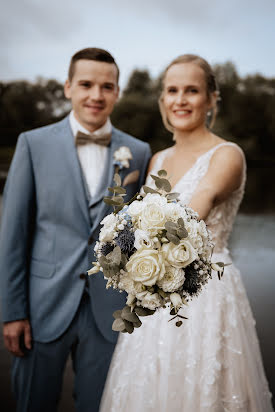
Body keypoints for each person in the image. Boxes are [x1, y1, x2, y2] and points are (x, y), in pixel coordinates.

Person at [100, 54, 274, 412]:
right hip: (152, 298)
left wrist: (137, 241)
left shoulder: (228, 155)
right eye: (172, 90)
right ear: (162, 99)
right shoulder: (157, 159)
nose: (180, 100)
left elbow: (195, 211)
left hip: (206, 294)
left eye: (191, 90)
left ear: (211, 98)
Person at [0, 47, 151, 412]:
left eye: (106, 86)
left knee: (100, 405)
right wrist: (12, 311)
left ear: (117, 92)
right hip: (42, 306)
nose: (95, 95)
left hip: (110, 310)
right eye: (86, 84)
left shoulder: (140, 151)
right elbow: (13, 234)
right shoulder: (33, 144)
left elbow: (140, 236)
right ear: (68, 87)